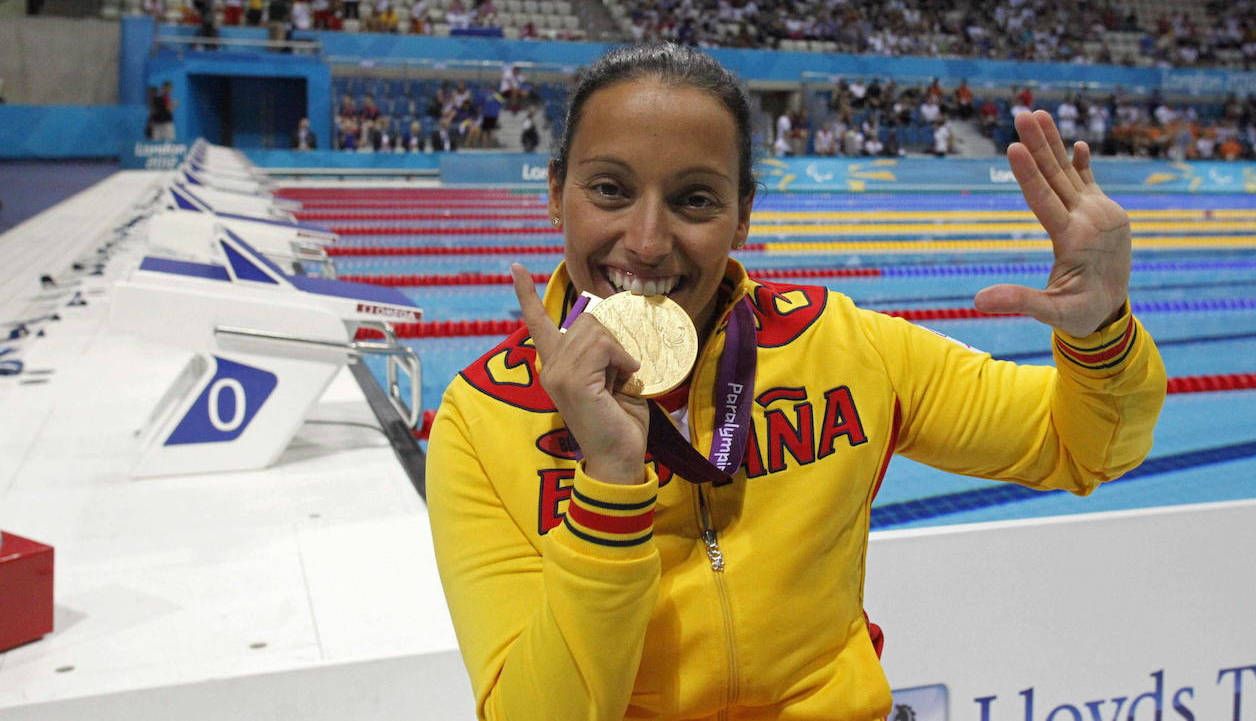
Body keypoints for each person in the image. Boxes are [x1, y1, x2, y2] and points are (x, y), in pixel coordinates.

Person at [427, 43, 1166, 719]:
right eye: (610, 190)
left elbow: (1083, 448)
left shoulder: (841, 347)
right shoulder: (484, 416)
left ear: (743, 215)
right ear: (557, 193)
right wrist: (611, 483)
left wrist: (1102, 334)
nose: (647, 243)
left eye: (695, 200)